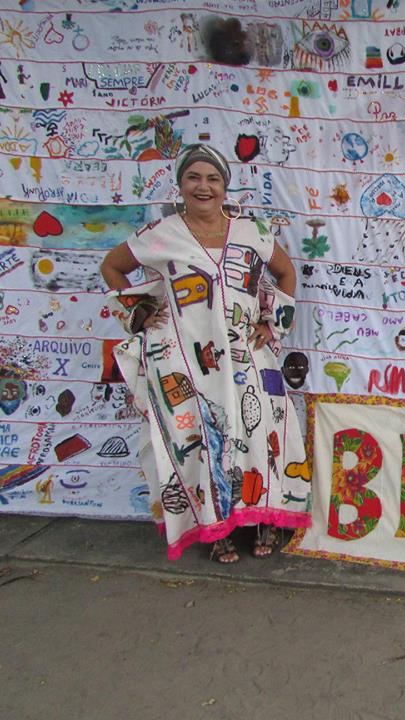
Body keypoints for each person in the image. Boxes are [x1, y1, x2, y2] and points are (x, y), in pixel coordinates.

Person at [100, 144, 312, 563]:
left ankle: (265, 519)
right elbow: (112, 266)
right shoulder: (161, 234)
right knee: (202, 443)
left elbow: (286, 272)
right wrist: (141, 312)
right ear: (180, 185)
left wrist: (271, 324)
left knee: (259, 434)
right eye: (194, 177)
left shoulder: (252, 231)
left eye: (213, 179)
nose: (204, 186)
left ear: (224, 186)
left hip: (247, 358)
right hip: (184, 362)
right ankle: (216, 529)